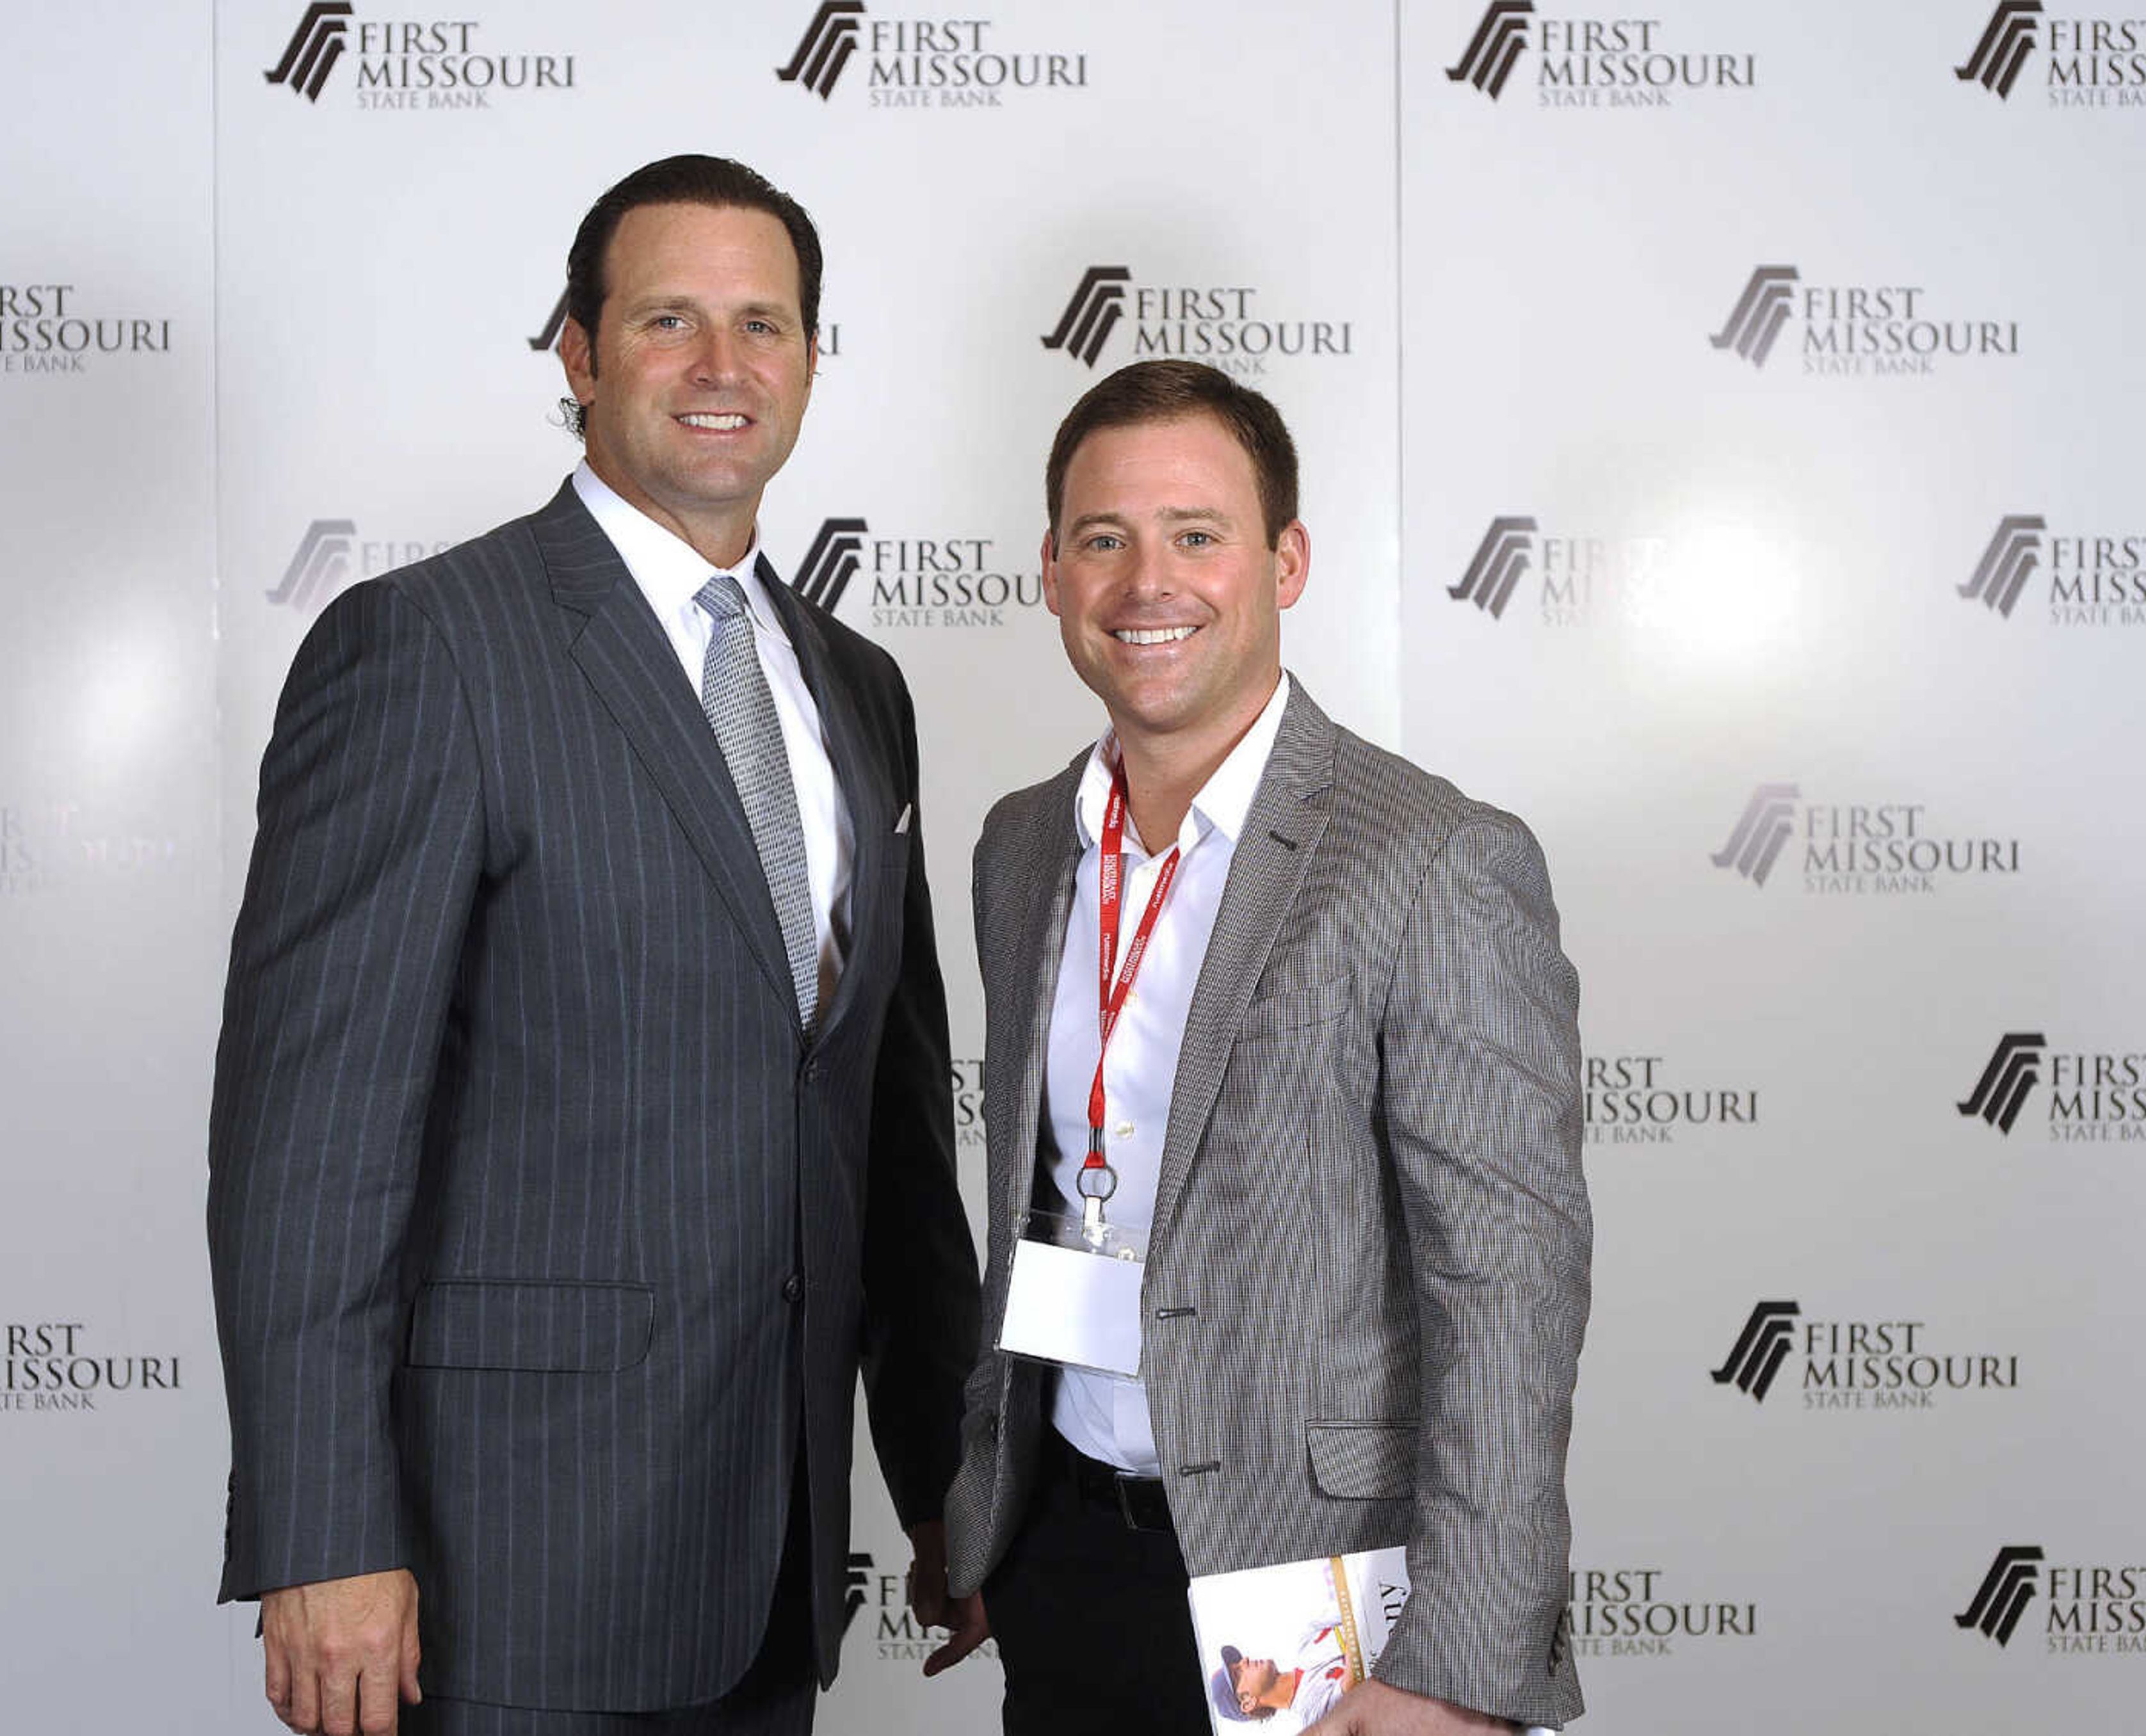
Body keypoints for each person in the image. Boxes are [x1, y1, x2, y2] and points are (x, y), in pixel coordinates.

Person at [207, 154, 981, 1736]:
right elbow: (308, 1144)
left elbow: (881, 1133)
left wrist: (948, 1482)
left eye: (763, 325)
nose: (722, 367)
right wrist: (325, 1532)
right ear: (576, 351)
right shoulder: (428, 648)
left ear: (812, 362)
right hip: (499, 1578)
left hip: (767, 1567)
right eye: (667, 321)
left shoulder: (860, 688)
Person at [928, 360, 1589, 1735]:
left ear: (1286, 560)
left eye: (1197, 535)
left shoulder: (1434, 861)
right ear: (1051, 571)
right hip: (1064, 1567)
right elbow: (1050, 1199)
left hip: (1332, 1603)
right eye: (1103, 539)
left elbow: (1509, 1297)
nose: (1145, 581)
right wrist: (992, 1508)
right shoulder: (1020, 845)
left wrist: (1458, 1668)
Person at [1213, 1630, 1351, 1727]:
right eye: (1238, 1673)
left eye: (1239, 1662)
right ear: (1248, 1703)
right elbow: (1357, 1682)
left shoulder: (1307, 1641)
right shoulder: (1314, 1715)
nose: (1245, 1660)